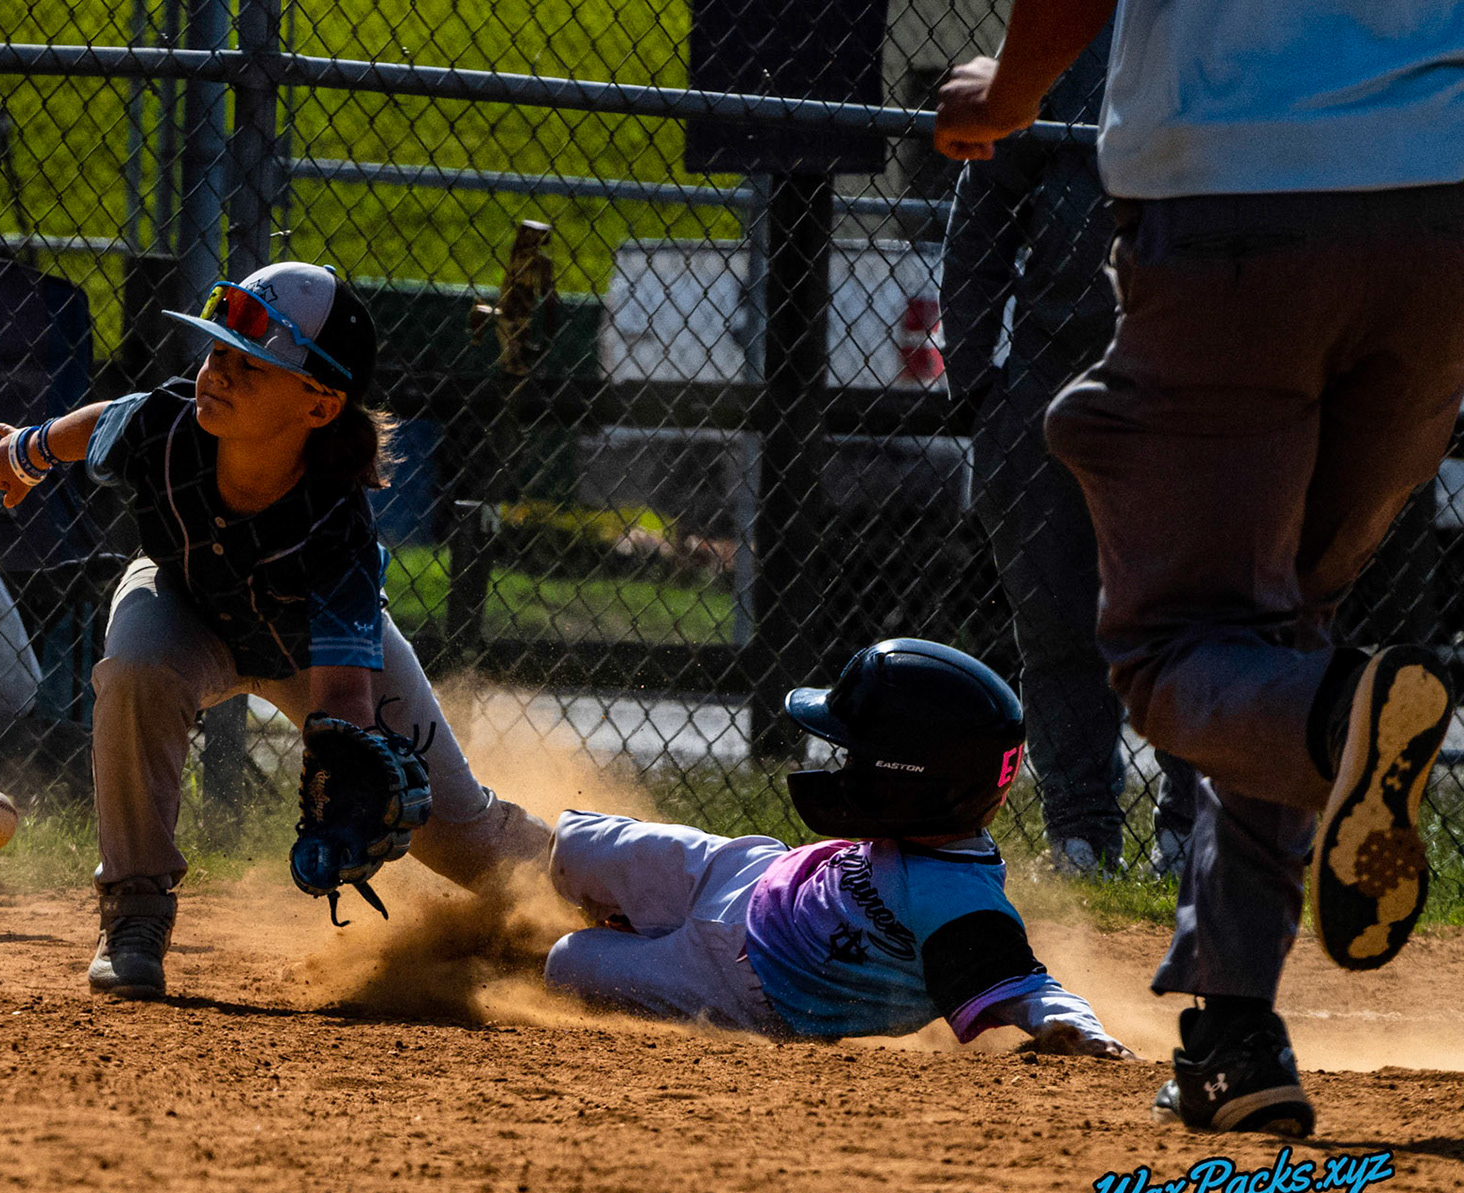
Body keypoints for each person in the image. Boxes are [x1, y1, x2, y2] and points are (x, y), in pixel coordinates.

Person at [936, 0, 1464, 1135]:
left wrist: (1011, 93)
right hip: (1442, 221)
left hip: (1237, 199)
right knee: (1275, 629)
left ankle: (1337, 728)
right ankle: (1231, 1037)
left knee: (1178, 645)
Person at [0, 261, 554, 1000]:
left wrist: (343, 776)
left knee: (467, 838)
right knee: (135, 667)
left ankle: (599, 892)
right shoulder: (165, 424)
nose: (215, 373)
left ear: (318, 406)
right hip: (183, 606)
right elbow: (97, 424)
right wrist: (25, 452)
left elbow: (344, 699)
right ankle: (134, 913)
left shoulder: (337, 525)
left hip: (304, 652)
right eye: (215, 352)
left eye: (247, 366)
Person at [543, 638, 1133, 1059]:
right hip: (747, 869)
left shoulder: (959, 903)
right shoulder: (922, 828)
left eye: (857, 758)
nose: (842, 767)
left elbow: (1029, 988)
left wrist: (1076, 1030)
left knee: (564, 963)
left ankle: (545, 936)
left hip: (741, 989)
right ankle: (482, 841)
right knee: (572, 846)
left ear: (910, 780)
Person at [941, 25, 1197, 880]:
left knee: (1192, 618)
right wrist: (980, 389)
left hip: (1191, 391)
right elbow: (980, 227)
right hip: (1047, 385)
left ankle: (1188, 833)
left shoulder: (1224, 48)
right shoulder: (1066, 52)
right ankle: (1080, 835)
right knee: (1055, 622)